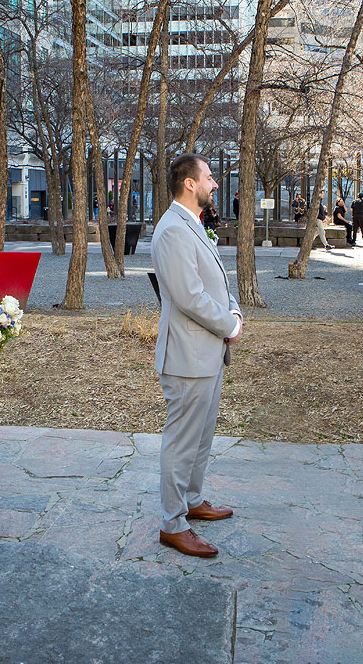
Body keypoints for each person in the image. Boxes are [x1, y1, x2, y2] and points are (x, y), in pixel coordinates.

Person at [151, 154, 242, 558]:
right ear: (190, 183)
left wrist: (234, 311)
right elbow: (189, 295)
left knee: (202, 436)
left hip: (207, 351)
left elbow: (215, 280)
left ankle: (192, 499)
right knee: (183, 440)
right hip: (188, 353)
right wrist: (229, 325)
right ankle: (173, 524)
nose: (215, 183)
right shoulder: (172, 229)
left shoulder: (193, 224)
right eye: (209, 177)